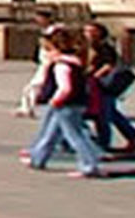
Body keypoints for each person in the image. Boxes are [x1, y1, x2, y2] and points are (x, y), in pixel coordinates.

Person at [21, 29, 103, 178]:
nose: (46, 54)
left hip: (66, 105)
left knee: (75, 135)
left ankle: (89, 165)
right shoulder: (75, 62)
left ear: (57, 49)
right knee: (51, 133)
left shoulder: (62, 66)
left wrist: (55, 100)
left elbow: (66, 88)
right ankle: (38, 158)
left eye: (48, 50)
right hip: (74, 103)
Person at [85, 22, 135, 152]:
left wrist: (95, 76)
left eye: (91, 31)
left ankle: (103, 142)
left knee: (103, 114)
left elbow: (109, 65)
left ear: (99, 33)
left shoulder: (105, 47)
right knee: (111, 113)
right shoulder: (90, 47)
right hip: (98, 84)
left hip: (105, 84)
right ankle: (133, 136)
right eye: (86, 31)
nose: (87, 34)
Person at [14, 9, 62, 118]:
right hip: (45, 62)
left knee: (34, 86)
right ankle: (29, 107)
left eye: (40, 18)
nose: (38, 21)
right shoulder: (46, 31)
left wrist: (47, 45)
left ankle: (29, 108)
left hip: (50, 63)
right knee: (37, 86)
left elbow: (55, 46)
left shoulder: (54, 32)